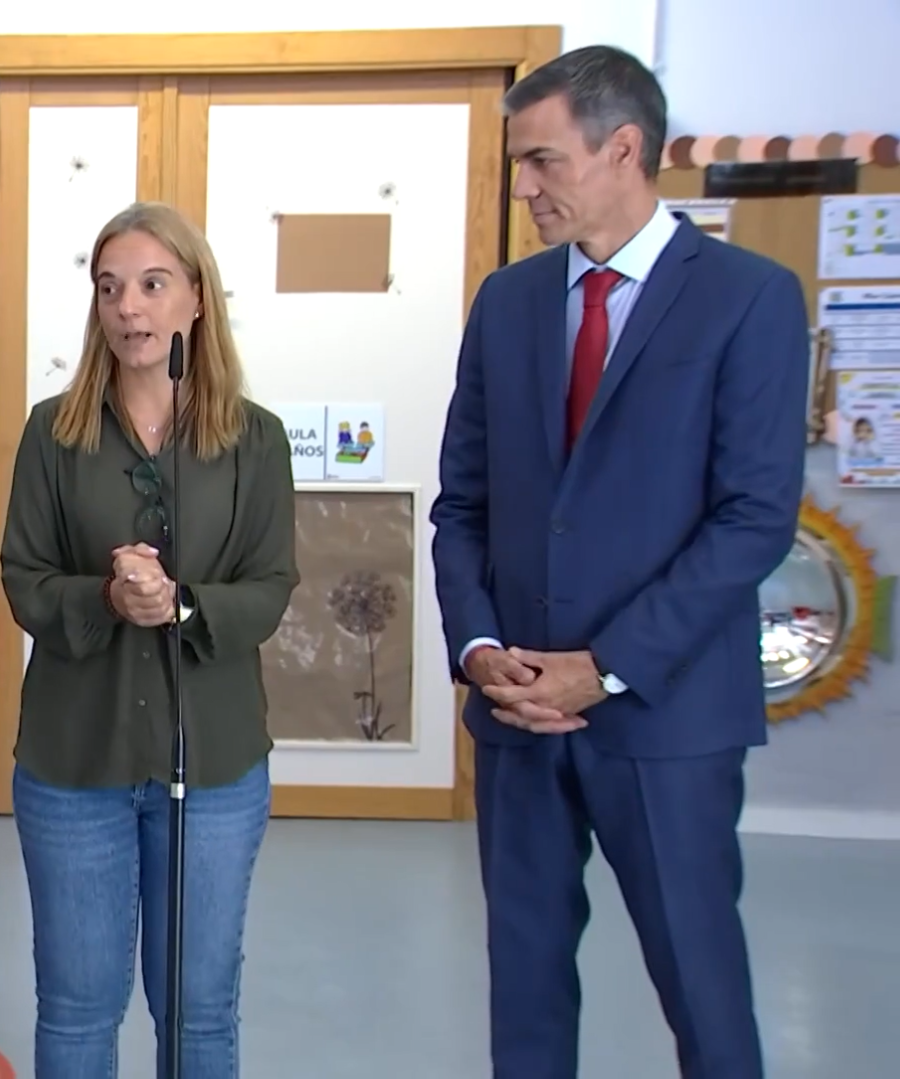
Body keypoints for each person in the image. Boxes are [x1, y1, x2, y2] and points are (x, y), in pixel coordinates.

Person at [430, 44, 807, 1079]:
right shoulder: (505, 304)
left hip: (665, 717)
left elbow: (752, 516)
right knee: (524, 986)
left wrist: (601, 665)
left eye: (542, 161)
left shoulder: (746, 299)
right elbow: (460, 503)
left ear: (623, 149)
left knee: (700, 984)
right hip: (513, 713)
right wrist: (476, 647)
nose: (523, 187)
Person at [0, 201, 299, 1079]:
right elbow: (23, 579)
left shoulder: (255, 440)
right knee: (78, 1011)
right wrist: (105, 596)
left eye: (151, 284)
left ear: (196, 299)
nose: (129, 307)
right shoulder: (53, 433)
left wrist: (182, 606)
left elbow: (270, 588)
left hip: (209, 767)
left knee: (199, 1012)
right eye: (109, 288)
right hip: (72, 765)